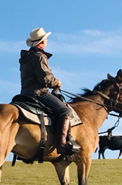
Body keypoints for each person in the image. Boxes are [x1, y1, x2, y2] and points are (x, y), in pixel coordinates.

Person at [19, 27, 80, 155]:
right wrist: (57, 83)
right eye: (46, 39)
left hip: (25, 94)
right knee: (65, 111)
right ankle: (62, 145)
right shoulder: (39, 56)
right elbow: (45, 78)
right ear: (42, 42)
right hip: (39, 93)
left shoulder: (26, 58)